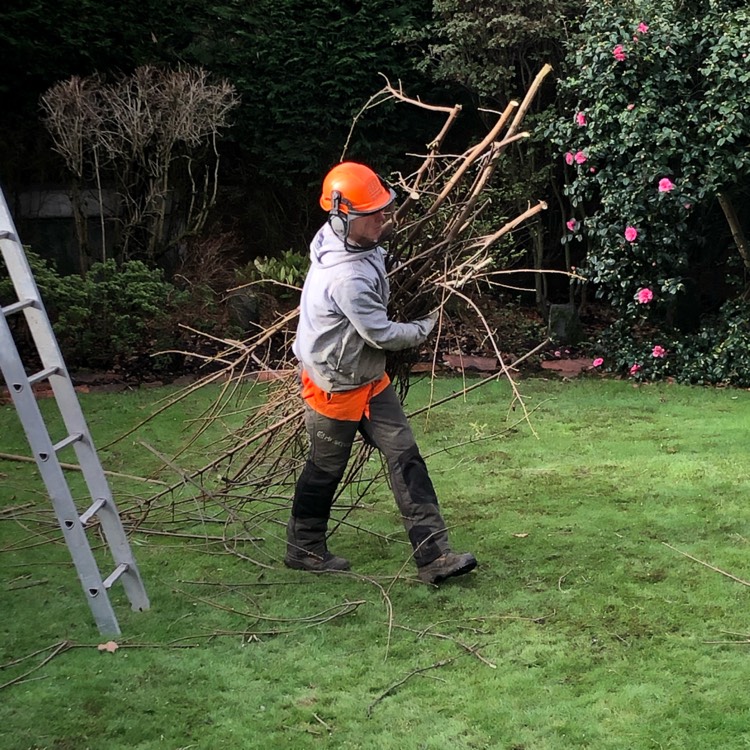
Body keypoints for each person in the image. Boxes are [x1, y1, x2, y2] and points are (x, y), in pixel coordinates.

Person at [285, 161, 477, 584]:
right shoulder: (345, 276)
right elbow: (382, 334)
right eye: (374, 214)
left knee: (405, 457)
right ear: (342, 217)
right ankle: (303, 548)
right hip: (333, 382)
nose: (384, 219)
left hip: (369, 378)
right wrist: (425, 327)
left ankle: (435, 556)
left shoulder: (344, 239)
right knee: (324, 469)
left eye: (384, 210)